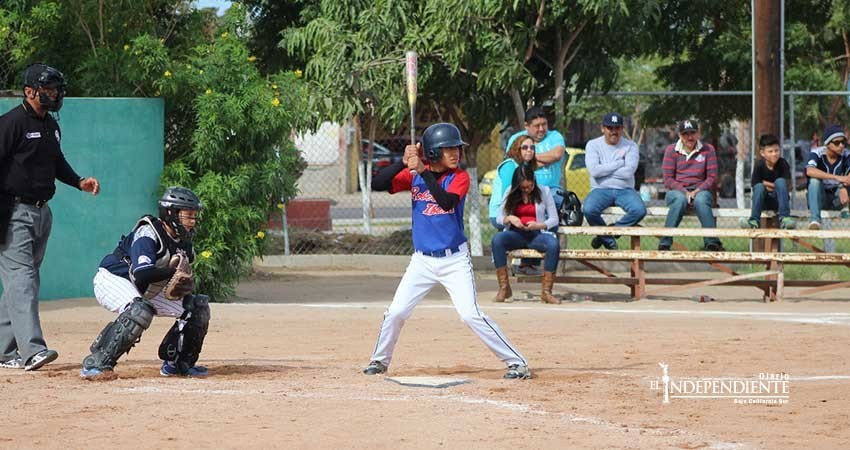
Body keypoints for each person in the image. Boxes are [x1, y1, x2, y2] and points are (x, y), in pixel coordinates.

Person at [363, 123, 530, 380]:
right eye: (447, 149)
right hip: (421, 261)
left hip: (454, 260)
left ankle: (516, 362)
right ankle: (379, 360)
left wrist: (421, 170)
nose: (455, 153)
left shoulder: (459, 177)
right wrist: (403, 161)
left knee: (469, 314)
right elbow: (377, 183)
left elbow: (446, 201)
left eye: (456, 148)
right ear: (431, 153)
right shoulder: (416, 173)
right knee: (396, 312)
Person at [0, 63, 100, 371]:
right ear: (29, 92)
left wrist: (79, 181)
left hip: (42, 213)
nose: (55, 94)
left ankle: (4, 351)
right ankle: (32, 351)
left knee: (23, 282)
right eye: (49, 89)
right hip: (13, 212)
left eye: (57, 89)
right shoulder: (11, 123)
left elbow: (56, 162)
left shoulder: (51, 125)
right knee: (22, 280)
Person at [80, 187, 210, 379]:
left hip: (145, 287)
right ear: (171, 213)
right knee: (139, 310)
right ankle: (97, 363)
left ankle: (178, 363)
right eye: (187, 216)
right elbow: (142, 274)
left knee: (196, 307)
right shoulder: (148, 233)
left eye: (193, 216)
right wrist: (173, 272)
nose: (192, 221)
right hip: (114, 278)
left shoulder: (184, 242)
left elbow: (167, 276)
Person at [491, 165, 561, 304]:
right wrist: (510, 218)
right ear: (517, 186)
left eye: (530, 186)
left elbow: (554, 219)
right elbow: (499, 217)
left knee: (553, 244)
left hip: (536, 234)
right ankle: (504, 288)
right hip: (515, 234)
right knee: (497, 240)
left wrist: (539, 225)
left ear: (533, 181)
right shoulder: (510, 191)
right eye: (523, 188)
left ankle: (546, 292)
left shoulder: (544, 191)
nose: (527, 190)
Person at [582, 112, 646, 250]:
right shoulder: (593, 145)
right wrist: (618, 164)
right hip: (600, 190)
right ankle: (608, 239)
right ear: (603, 128)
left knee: (639, 210)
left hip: (625, 190)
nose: (613, 131)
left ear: (622, 129)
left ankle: (610, 232)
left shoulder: (631, 146)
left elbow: (629, 172)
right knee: (588, 209)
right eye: (610, 128)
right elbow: (594, 171)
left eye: (617, 128)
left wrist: (604, 171)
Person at [658, 120, 724, 251]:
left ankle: (711, 242)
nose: (689, 137)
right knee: (679, 200)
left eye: (692, 133)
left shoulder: (708, 149)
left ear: (698, 133)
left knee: (702, 200)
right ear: (679, 135)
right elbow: (668, 179)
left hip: (700, 190)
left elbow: (712, 177)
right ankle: (665, 242)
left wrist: (697, 191)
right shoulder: (671, 150)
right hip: (677, 191)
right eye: (685, 134)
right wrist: (684, 192)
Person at [504, 106, 566, 207]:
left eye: (544, 124)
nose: (541, 129)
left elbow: (556, 155)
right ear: (526, 126)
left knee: (556, 202)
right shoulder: (517, 138)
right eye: (537, 126)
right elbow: (513, 161)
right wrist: (546, 160)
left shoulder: (555, 136)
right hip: (523, 190)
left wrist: (528, 158)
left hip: (551, 189)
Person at [740, 134, 796, 229]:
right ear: (762, 153)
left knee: (780, 182)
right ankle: (754, 220)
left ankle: (785, 218)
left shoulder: (783, 164)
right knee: (759, 187)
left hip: (779, 201)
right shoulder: (759, 165)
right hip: (763, 201)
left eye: (776, 150)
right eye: (770, 151)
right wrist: (776, 187)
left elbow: (788, 187)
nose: (774, 154)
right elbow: (755, 186)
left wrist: (767, 183)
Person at [487, 136, 538, 231]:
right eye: (525, 147)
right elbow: (508, 194)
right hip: (501, 214)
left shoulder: (527, 167)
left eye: (532, 148)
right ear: (517, 149)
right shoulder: (509, 165)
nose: (529, 150)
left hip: (520, 210)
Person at [805, 124, 850, 229]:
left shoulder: (846, 154)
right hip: (820, 198)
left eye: (843, 142)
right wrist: (837, 178)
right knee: (814, 182)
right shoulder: (817, 153)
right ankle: (815, 221)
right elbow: (809, 171)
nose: (841, 146)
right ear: (827, 143)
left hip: (838, 197)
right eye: (837, 143)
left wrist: (844, 187)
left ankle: (845, 209)